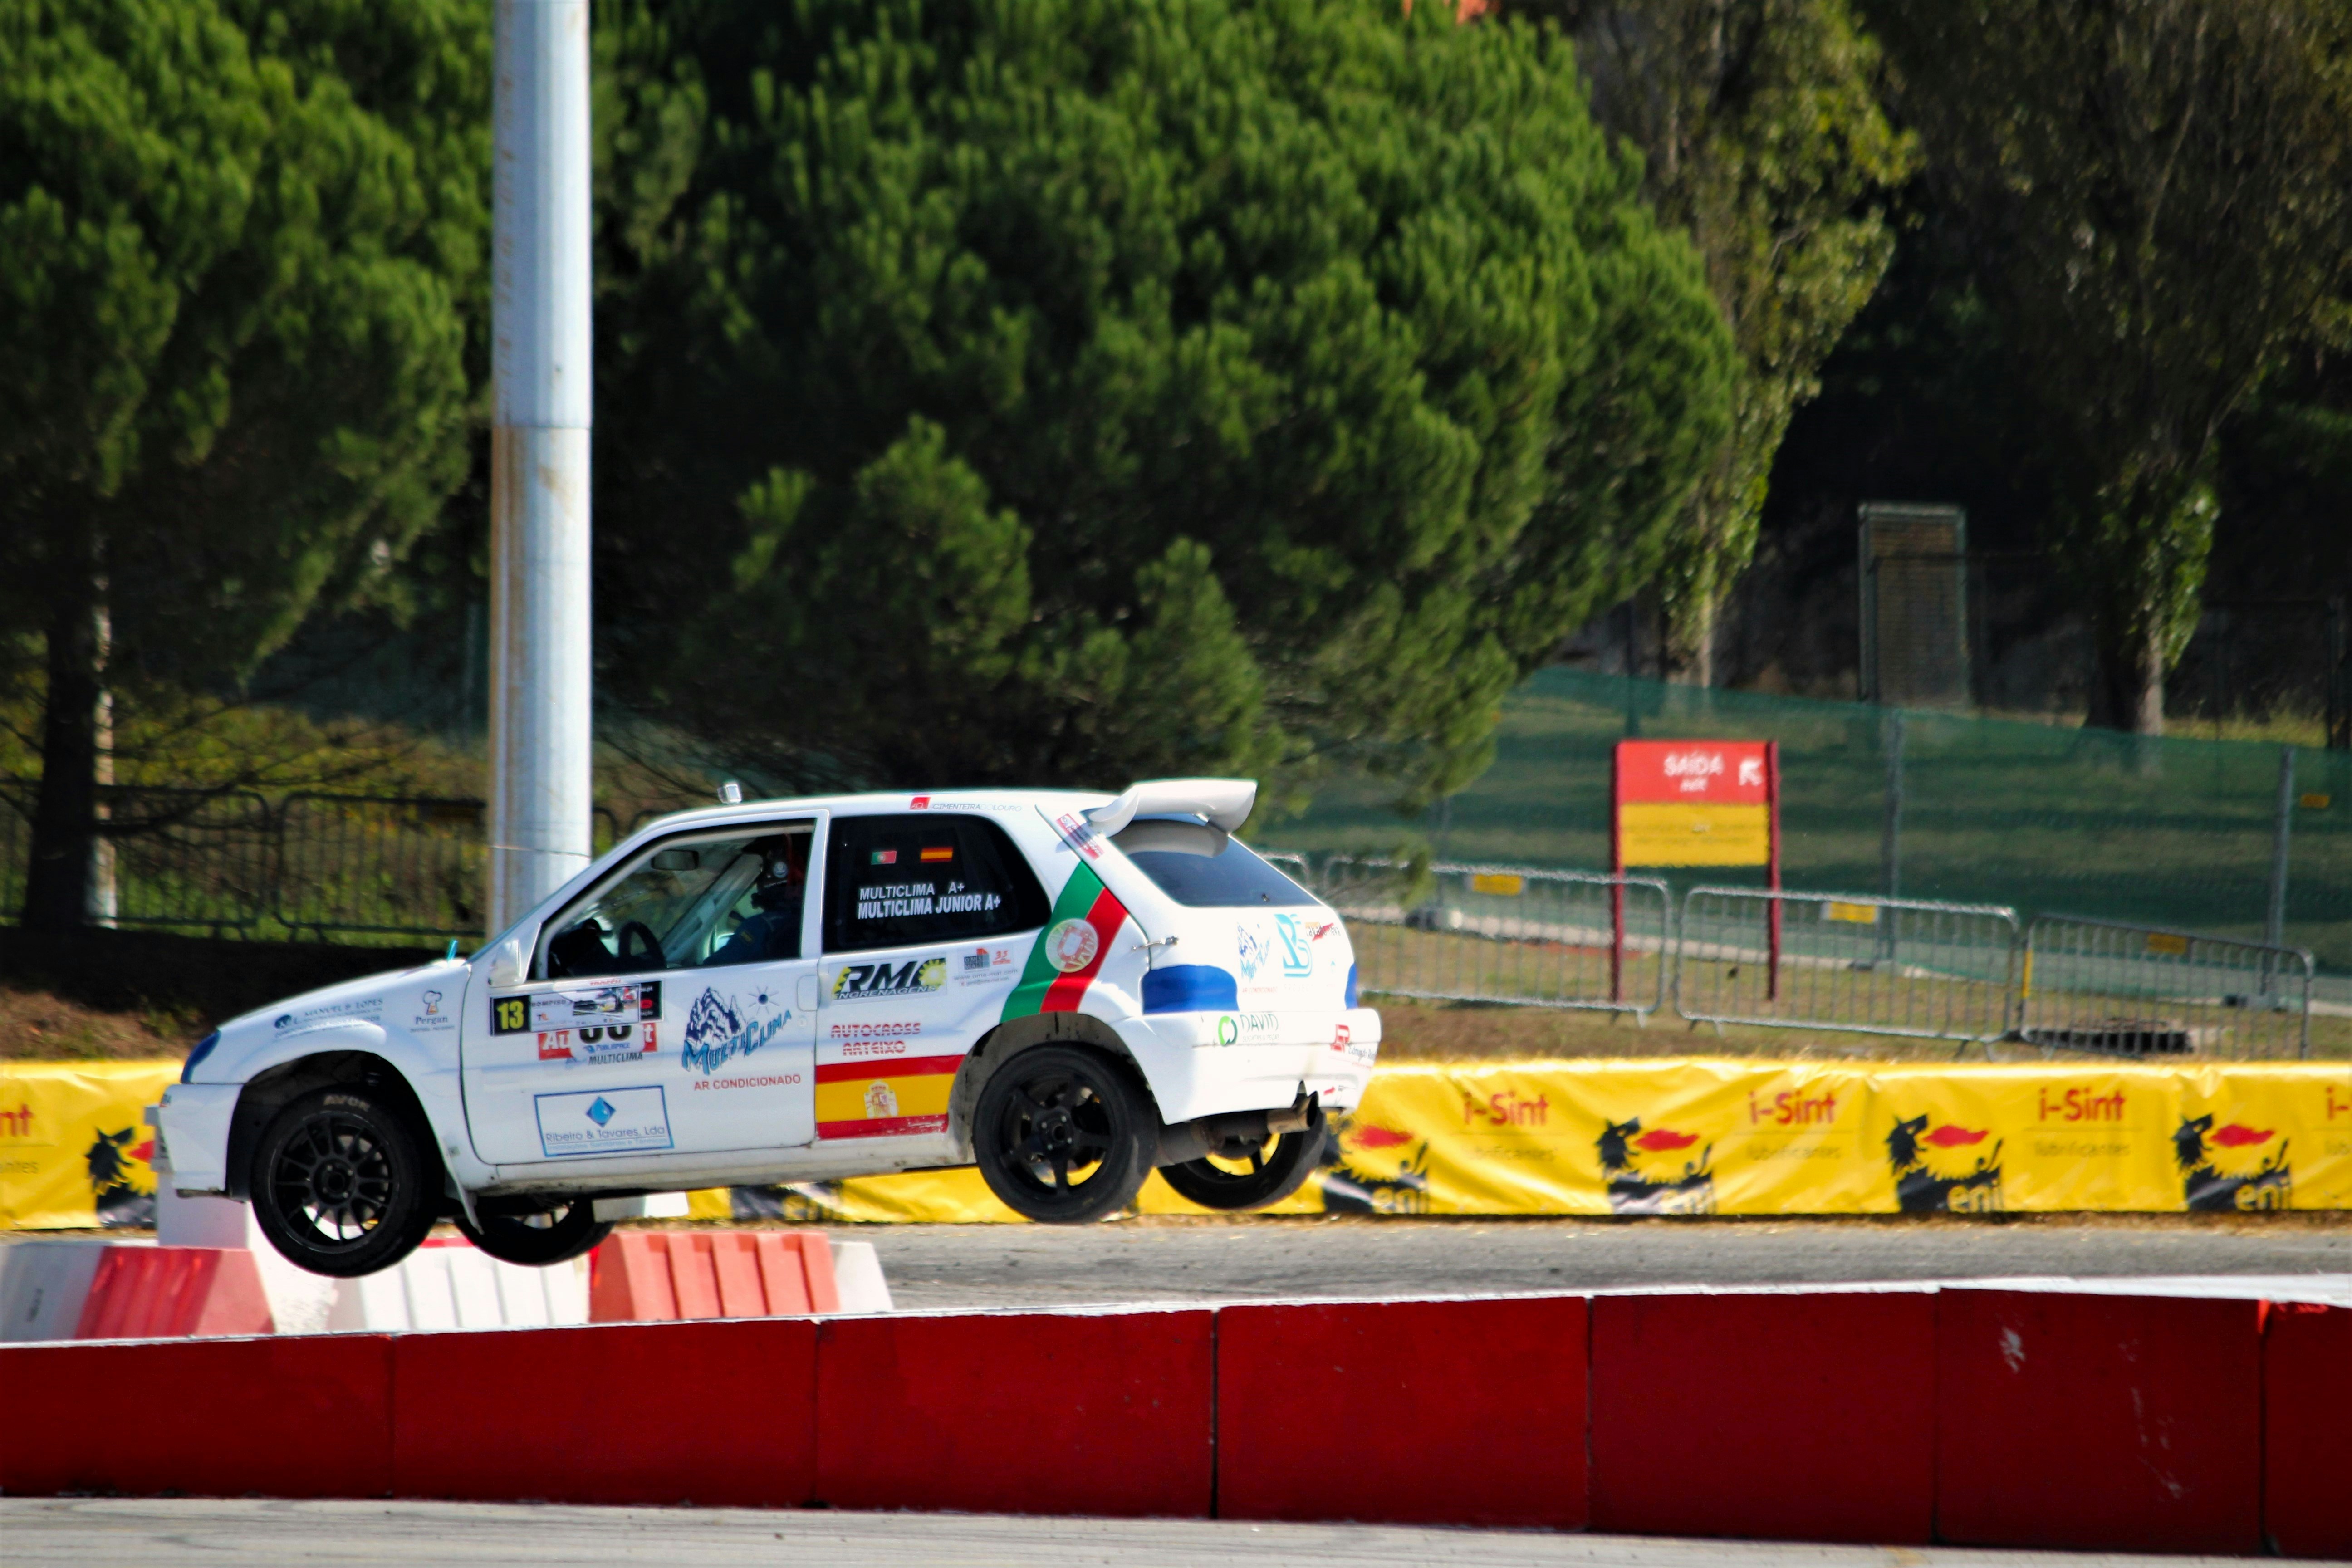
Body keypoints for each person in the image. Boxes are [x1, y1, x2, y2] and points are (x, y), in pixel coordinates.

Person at [702, 835, 808, 965]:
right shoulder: (813, 920)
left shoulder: (760, 927)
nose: (761, 876)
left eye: (764, 867)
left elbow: (714, 968)